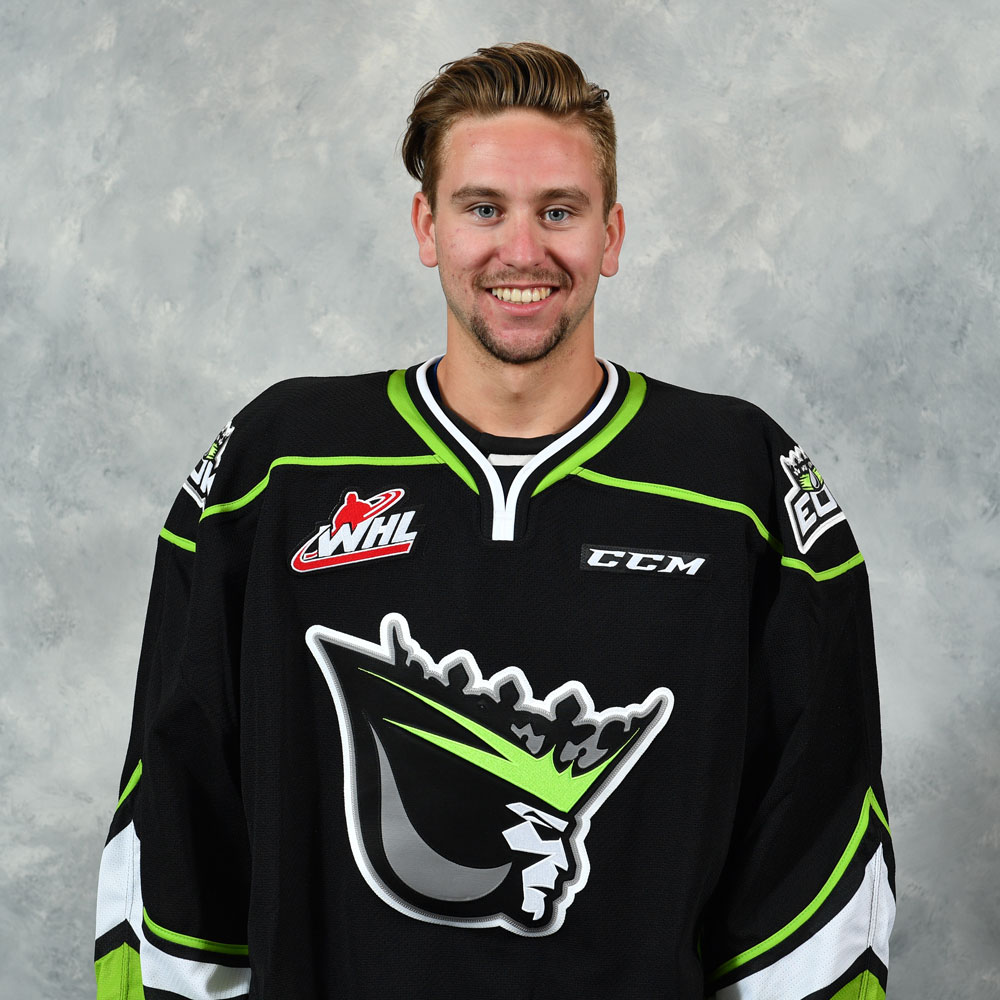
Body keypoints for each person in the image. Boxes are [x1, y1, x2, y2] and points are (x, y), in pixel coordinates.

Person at [94, 42, 895, 1000]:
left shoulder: (737, 480)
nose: (522, 251)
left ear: (612, 235)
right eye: (483, 209)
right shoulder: (280, 464)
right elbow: (175, 802)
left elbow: (818, 832)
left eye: (559, 211)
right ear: (426, 226)